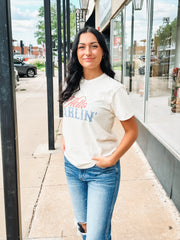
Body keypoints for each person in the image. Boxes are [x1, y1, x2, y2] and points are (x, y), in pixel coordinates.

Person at [60, 26, 138, 240]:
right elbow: (68, 116)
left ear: (103, 51)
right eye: (82, 47)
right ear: (76, 52)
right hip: (72, 167)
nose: (88, 52)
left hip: (101, 172)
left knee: (96, 236)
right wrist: (66, 140)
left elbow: (132, 131)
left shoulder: (113, 89)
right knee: (84, 229)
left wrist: (112, 158)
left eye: (94, 46)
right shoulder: (71, 82)